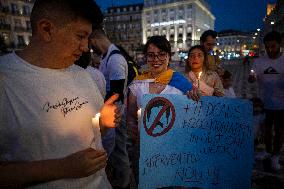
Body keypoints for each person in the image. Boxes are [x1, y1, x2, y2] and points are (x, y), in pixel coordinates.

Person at [0, 0, 122, 188]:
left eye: (88, 38)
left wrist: (103, 124)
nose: (85, 48)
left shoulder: (84, 75)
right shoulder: (6, 78)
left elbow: (92, 137)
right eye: (80, 36)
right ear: (47, 29)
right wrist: (62, 168)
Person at [127, 36, 194, 185]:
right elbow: (131, 116)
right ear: (146, 58)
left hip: (173, 148)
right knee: (145, 182)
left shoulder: (182, 84)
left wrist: (195, 99)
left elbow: (192, 118)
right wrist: (135, 136)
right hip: (143, 148)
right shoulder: (138, 83)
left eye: (161, 54)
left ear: (169, 56)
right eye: (151, 55)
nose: (156, 59)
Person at [89, 29, 131, 189]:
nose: (91, 49)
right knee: (116, 152)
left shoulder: (115, 59)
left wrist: (102, 107)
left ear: (94, 40)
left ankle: (124, 184)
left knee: (120, 151)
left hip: (115, 115)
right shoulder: (108, 56)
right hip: (111, 115)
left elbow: (117, 93)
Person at [248, 31, 284, 171]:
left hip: (282, 104)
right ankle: (268, 151)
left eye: (273, 47)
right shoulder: (259, 61)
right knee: (267, 131)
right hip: (265, 102)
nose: (270, 50)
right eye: (267, 47)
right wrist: (251, 78)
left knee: (280, 131)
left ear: (280, 44)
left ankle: (275, 156)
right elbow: (252, 76)